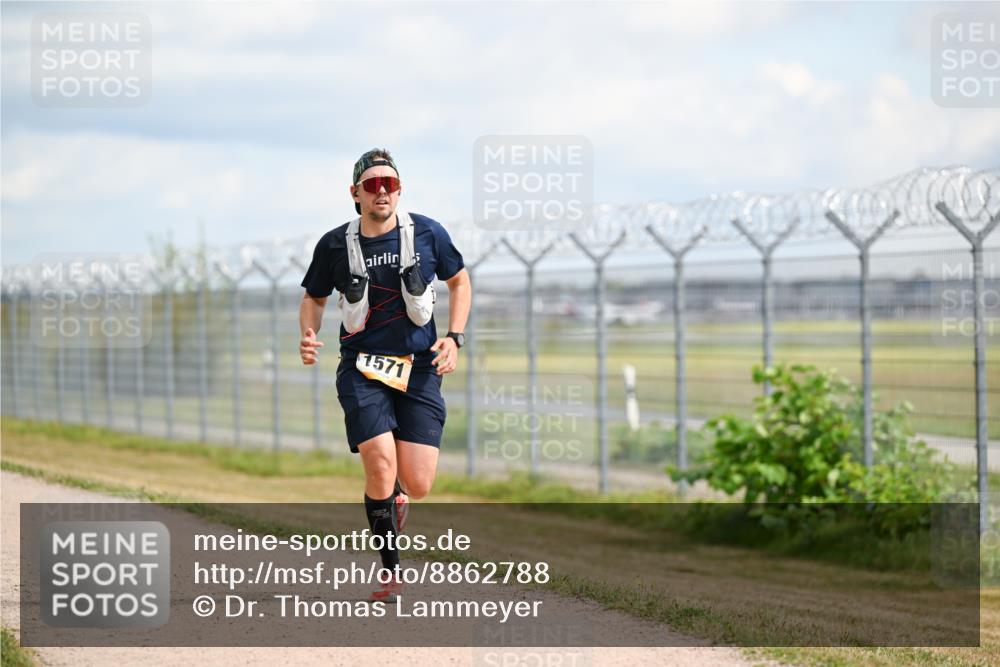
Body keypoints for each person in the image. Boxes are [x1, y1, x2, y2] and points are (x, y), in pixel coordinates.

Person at [298, 148, 471, 603]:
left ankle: (398, 493)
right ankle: (391, 570)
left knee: (418, 483)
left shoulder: (428, 233)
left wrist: (454, 337)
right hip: (362, 368)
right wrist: (308, 334)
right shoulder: (336, 244)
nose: (381, 191)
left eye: (389, 184)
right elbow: (314, 298)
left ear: (399, 190)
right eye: (372, 185)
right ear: (355, 193)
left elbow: (460, 282)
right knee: (378, 460)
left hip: (418, 370)